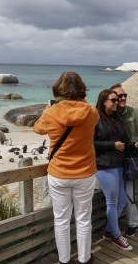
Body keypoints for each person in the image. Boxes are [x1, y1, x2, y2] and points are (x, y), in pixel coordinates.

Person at [33, 71, 98, 264]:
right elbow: (91, 122)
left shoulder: (51, 113)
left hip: (59, 173)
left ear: (58, 91)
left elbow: (37, 129)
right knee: (84, 218)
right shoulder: (91, 112)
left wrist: (48, 109)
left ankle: (63, 260)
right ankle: (84, 258)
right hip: (85, 173)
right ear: (82, 91)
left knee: (61, 219)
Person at [94, 89, 138, 251]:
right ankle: (116, 235)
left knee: (123, 200)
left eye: (118, 100)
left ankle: (109, 231)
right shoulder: (95, 119)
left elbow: (125, 143)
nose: (117, 103)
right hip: (104, 167)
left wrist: (135, 145)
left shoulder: (117, 119)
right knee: (112, 202)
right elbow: (90, 143)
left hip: (120, 165)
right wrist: (112, 145)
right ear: (104, 101)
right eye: (113, 100)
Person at [110, 83, 138, 239]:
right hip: (123, 163)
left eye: (124, 95)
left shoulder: (136, 113)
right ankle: (133, 224)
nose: (122, 98)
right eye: (118, 96)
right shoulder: (110, 116)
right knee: (129, 194)